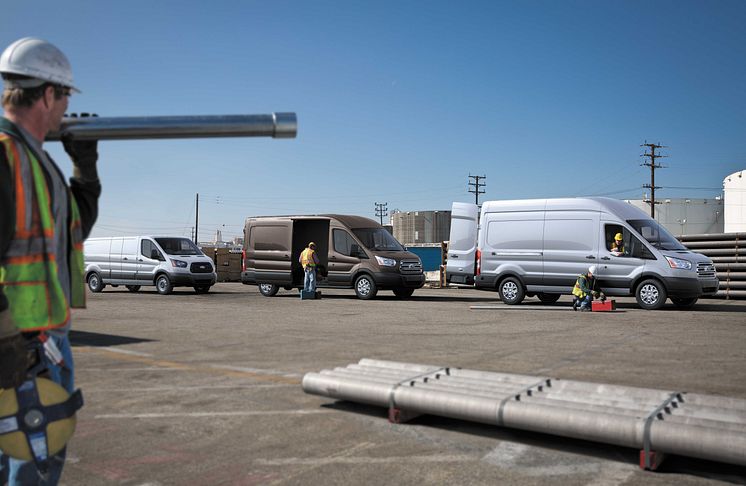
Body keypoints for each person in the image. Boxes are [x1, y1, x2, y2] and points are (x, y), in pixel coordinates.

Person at [0, 37, 100, 485]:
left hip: (41, 345)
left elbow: (71, 235)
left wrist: (85, 171)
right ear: (46, 94)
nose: (65, 110)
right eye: (64, 98)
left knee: (31, 462)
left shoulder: (38, 162)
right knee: (30, 466)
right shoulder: (5, 157)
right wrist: (6, 346)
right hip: (18, 350)